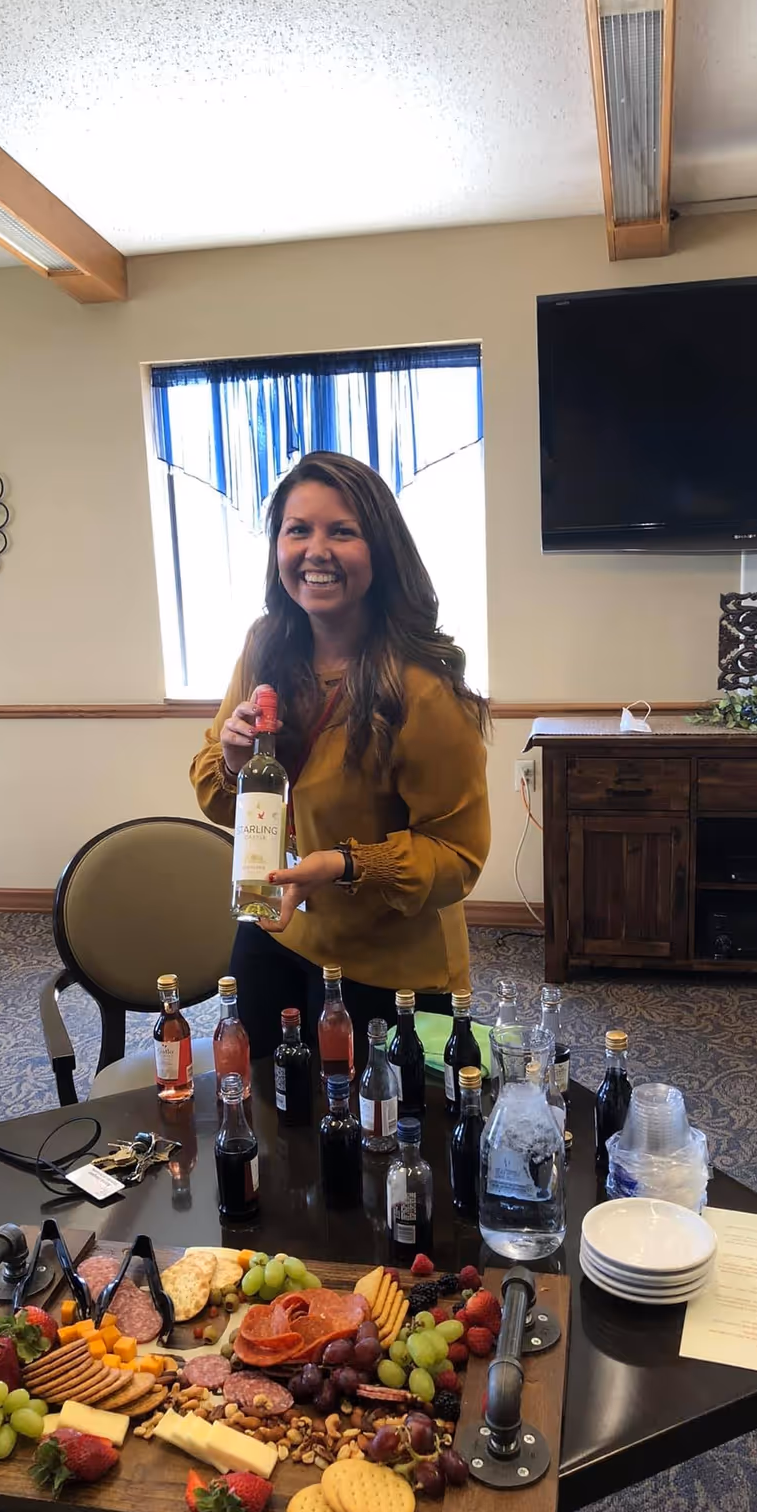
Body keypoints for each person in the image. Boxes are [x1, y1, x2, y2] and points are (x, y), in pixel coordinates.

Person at [191, 450, 490, 1063]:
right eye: (297, 529)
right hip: (277, 925)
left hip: (388, 966)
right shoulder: (265, 645)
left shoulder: (421, 687)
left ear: (380, 550)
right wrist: (230, 758)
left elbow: (457, 855)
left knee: (373, 1138)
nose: (315, 550)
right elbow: (224, 797)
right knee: (264, 1112)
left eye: (342, 531)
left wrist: (343, 865)